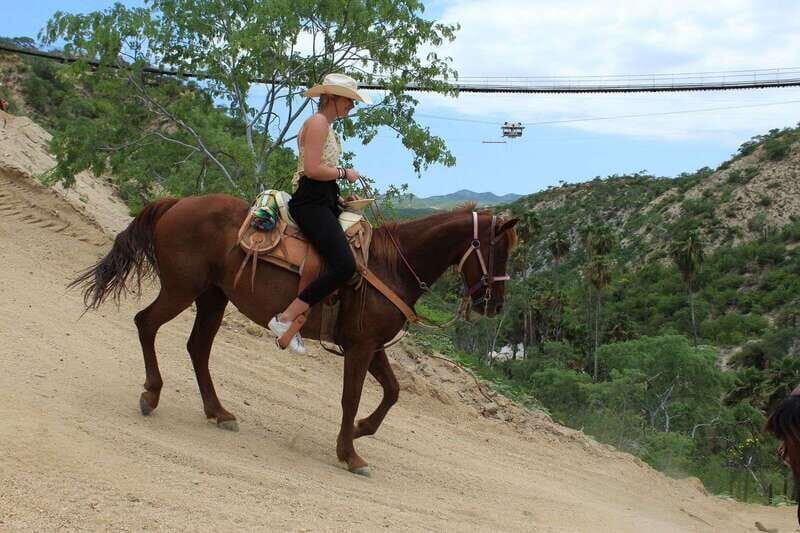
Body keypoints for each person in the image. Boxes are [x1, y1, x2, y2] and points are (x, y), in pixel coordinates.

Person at [268, 73, 372, 354]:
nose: (352, 106)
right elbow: (312, 170)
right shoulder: (317, 124)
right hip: (310, 203)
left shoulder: (327, 126)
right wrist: (344, 173)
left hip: (322, 200)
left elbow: (319, 175)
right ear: (333, 98)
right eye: (349, 101)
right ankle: (286, 318)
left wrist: (339, 196)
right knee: (344, 265)